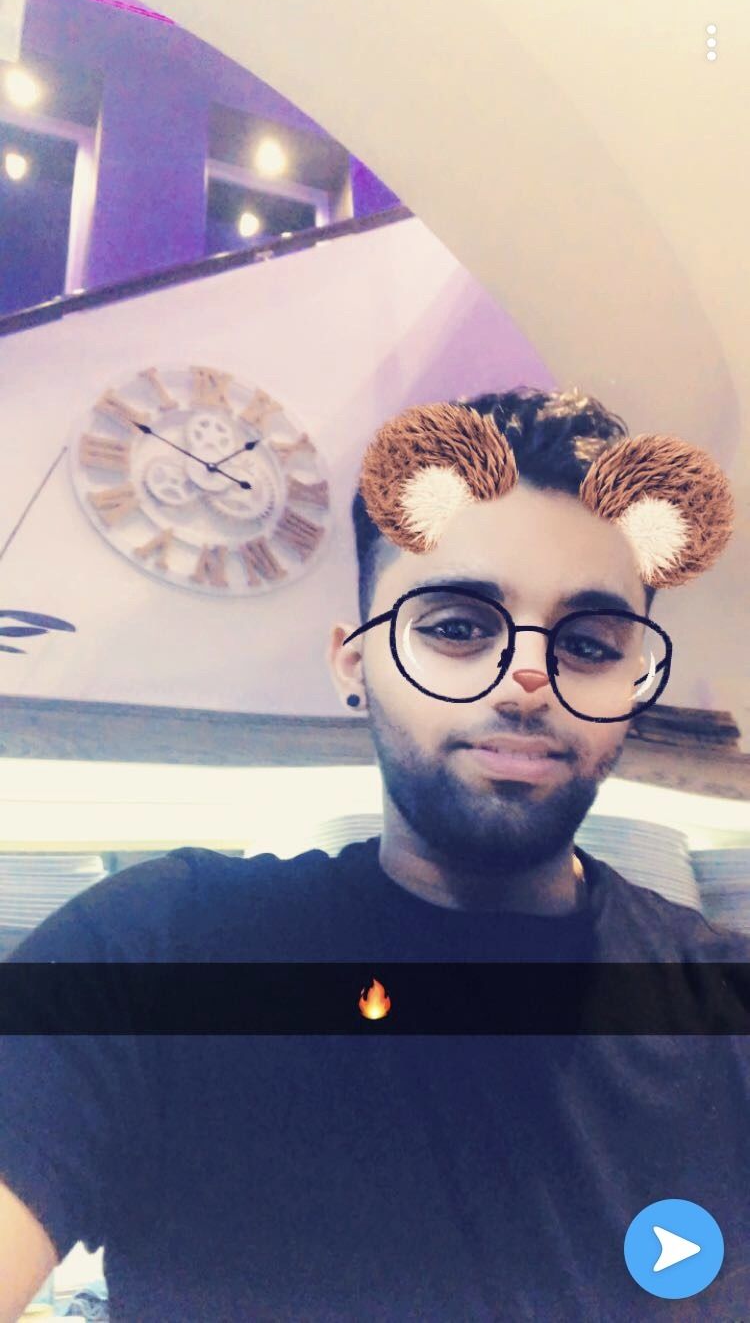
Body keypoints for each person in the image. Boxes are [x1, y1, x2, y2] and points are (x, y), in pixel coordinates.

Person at [0, 387, 747, 1321]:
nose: (527, 682)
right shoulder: (154, 956)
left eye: (591, 644)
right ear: (353, 661)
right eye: (457, 628)